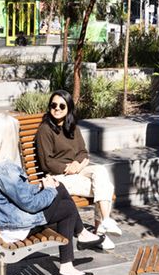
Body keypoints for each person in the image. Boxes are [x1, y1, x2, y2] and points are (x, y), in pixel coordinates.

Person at [0, 113, 111, 275]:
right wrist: (48, 189)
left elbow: (14, 192)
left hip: (1, 217)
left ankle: (79, 240)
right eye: (15, 134)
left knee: (58, 186)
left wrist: (41, 185)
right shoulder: (4, 168)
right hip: (13, 226)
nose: (17, 139)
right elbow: (30, 204)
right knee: (66, 207)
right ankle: (76, 246)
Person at [35, 90, 122, 241]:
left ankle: (105, 222)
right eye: (53, 105)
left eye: (62, 106)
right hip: (58, 177)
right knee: (106, 187)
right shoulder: (45, 129)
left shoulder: (72, 127)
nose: (57, 108)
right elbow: (46, 163)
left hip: (77, 170)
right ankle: (101, 232)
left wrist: (77, 164)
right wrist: (68, 168)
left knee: (100, 170)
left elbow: (83, 152)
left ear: (68, 108)